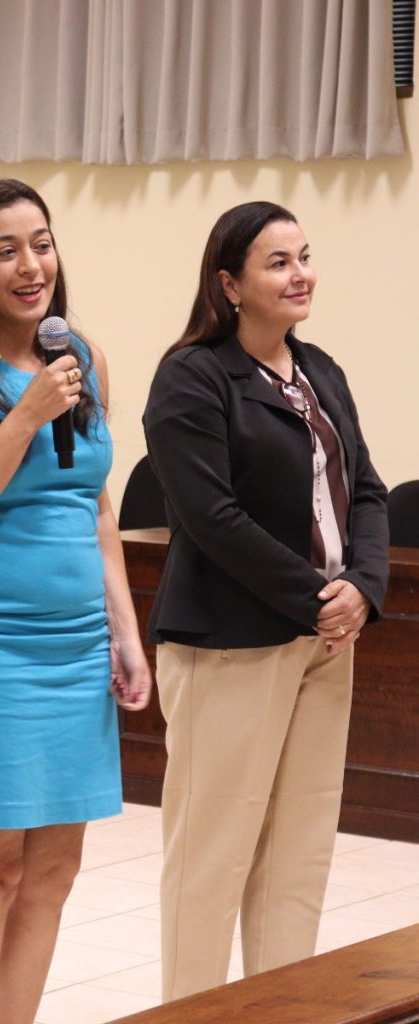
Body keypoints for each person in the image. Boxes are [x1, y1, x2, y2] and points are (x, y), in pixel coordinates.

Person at [0, 178, 153, 1024]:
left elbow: (96, 506)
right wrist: (23, 416)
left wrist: (125, 633)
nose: (30, 265)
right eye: (6, 250)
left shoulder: (83, 357)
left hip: (76, 651)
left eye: (41, 244)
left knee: (52, 871)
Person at [142, 201, 389, 1001]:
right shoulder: (191, 377)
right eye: (278, 262)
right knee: (212, 857)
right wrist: (319, 595)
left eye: (304, 256)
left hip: (323, 642)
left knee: (298, 853)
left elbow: (368, 492)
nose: (300, 274)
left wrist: (363, 587)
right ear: (229, 284)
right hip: (231, 643)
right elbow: (210, 517)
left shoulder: (321, 371)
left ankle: (284, 1012)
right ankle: (191, 1015)